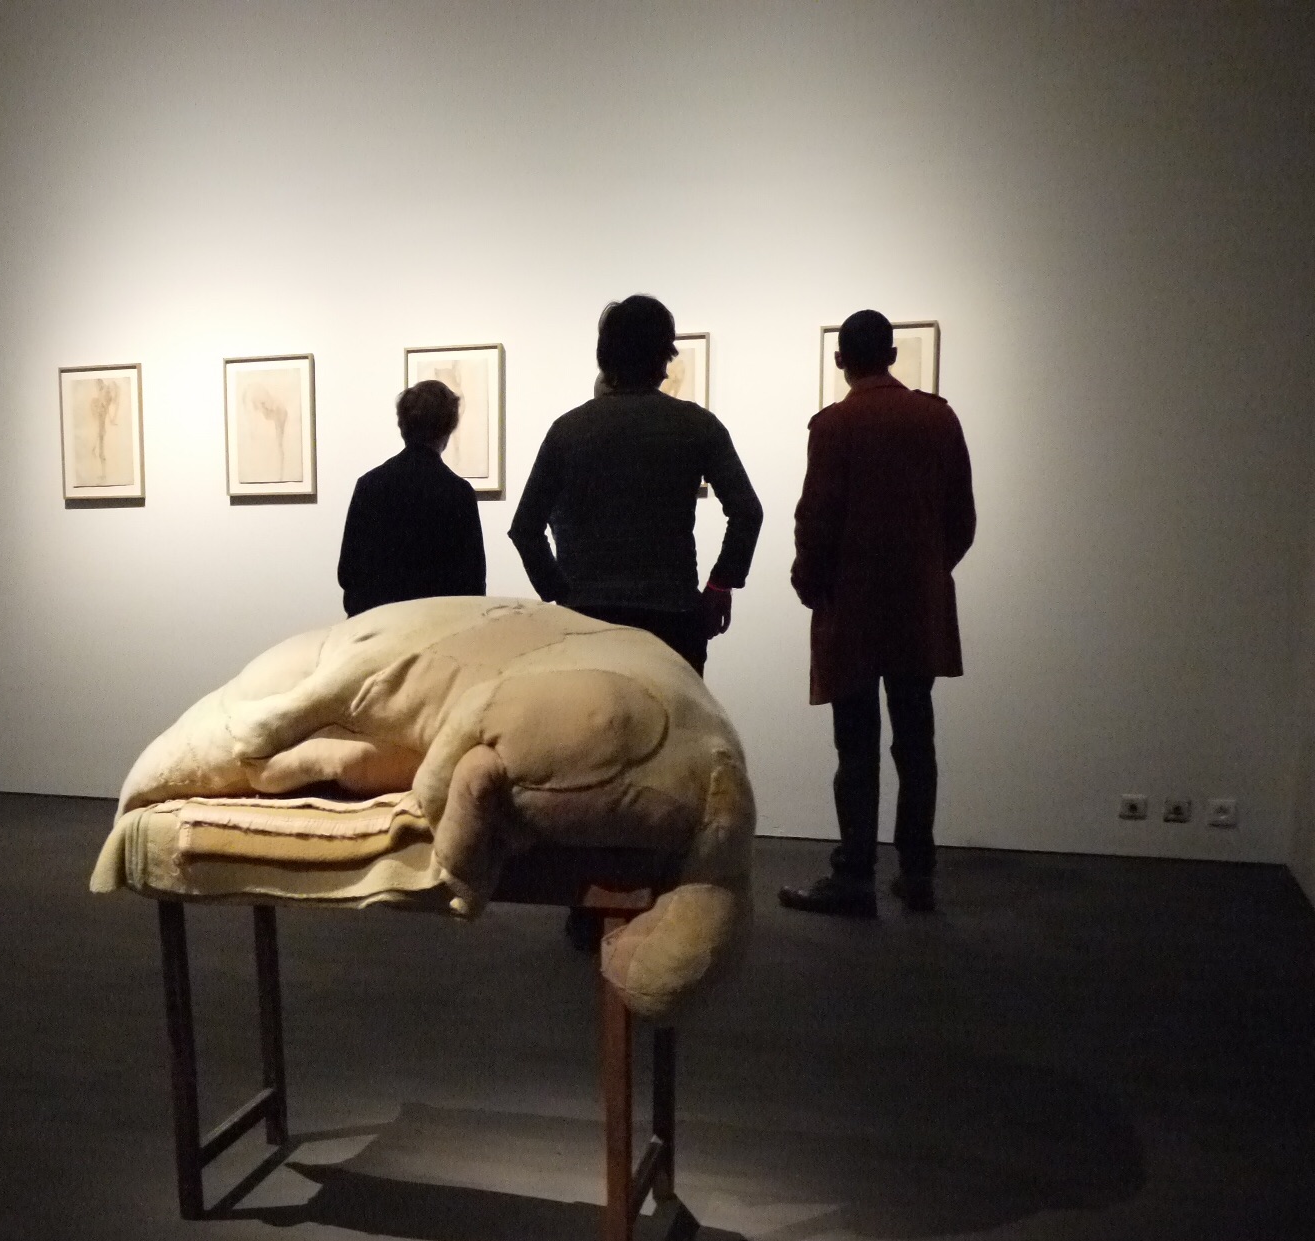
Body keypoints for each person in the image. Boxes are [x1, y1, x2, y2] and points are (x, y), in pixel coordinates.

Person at [778, 309, 977, 918]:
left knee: (856, 747)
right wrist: (928, 572)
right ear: (892, 355)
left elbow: (816, 518)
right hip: (917, 607)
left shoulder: (833, 426)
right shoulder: (938, 418)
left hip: (853, 610)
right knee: (916, 742)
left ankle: (855, 876)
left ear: (841, 360)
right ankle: (917, 873)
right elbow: (961, 519)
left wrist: (810, 585)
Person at [507, 294, 762, 674]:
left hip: (587, 620)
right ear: (664, 356)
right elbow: (747, 512)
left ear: (605, 356)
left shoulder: (567, 430)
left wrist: (561, 594)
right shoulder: (697, 425)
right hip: (672, 616)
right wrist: (720, 586)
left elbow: (525, 528)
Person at [336, 380, 485, 616]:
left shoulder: (369, 485)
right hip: (439, 626)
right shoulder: (458, 492)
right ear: (447, 428)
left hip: (378, 624)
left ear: (402, 425)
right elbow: (473, 583)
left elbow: (349, 573)